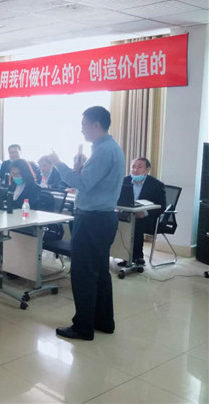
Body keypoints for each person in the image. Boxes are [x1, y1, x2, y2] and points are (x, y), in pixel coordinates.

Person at [48, 106, 124, 341]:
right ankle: (103, 321)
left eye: (84, 125)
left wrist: (58, 164)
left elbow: (82, 183)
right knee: (99, 272)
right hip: (102, 218)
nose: (82, 130)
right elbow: (90, 180)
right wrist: (80, 169)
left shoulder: (103, 151)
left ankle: (83, 326)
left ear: (96, 125)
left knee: (83, 273)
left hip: (92, 220)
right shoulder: (110, 148)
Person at [117, 157, 166, 267]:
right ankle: (121, 254)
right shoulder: (124, 181)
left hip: (147, 218)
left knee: (135, 225)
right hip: (127, 213)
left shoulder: (156, 185)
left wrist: (145, 213)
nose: (135, 170)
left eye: (139, 167)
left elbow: (162, 206)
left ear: (147, 170)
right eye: (133, 167)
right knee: (113, 221)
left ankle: (137, 257)